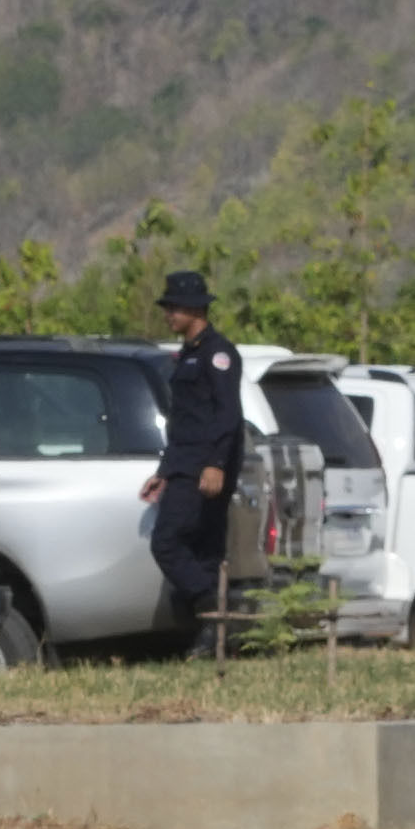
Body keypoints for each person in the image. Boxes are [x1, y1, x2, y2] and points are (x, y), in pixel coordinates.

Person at [139, 269, 247, 644]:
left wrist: (216, 463)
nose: (168, 314)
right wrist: (164, 470)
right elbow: (183, 421)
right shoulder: (188, 355)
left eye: (173, 307)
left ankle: (220, 611)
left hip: (205, 466)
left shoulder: (218, 354)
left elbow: (228, 414)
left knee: (166, 542)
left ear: (194, 309)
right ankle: (214, 636)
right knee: (202, 552)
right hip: (184, 464)